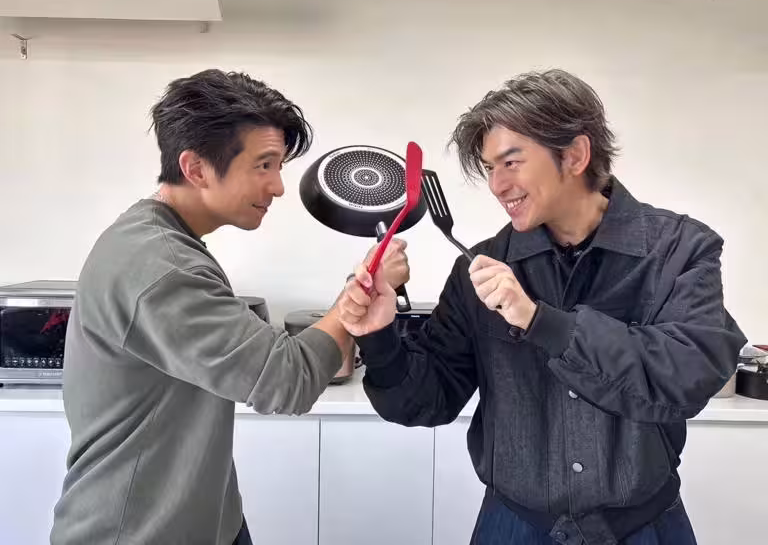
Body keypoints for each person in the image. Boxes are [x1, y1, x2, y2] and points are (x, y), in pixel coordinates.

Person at [337, 69, 747, 545]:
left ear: (574, 155)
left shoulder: (678, 249)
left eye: (511, 162)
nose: (497, 185)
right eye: (489, 168)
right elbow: (429, 399)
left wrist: (541, 322)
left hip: (644, 526)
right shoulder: (482, 268)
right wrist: (380, 338)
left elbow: (689, 375)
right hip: (513, 525)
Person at [50, 69, 408, 545]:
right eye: (263, 165)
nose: (278, 186)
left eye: (278, 166)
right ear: (196, 168)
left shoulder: (159, 238)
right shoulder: (162, 267)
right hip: (139, 532)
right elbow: (288, 380)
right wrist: (355, 299)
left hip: (210, 520)